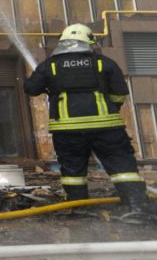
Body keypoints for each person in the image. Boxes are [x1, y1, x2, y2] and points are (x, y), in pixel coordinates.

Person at [24, 23, 150, 215]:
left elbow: (31, 89)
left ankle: (79, 208)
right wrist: (110, 109)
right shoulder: (104, 63)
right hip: (106, 127)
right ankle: (136, 205)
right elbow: (119, 93)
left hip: (68, 130)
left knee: (73, 171)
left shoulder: (50, 66)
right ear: (86, 41)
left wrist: (46, 80)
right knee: (121, 165)